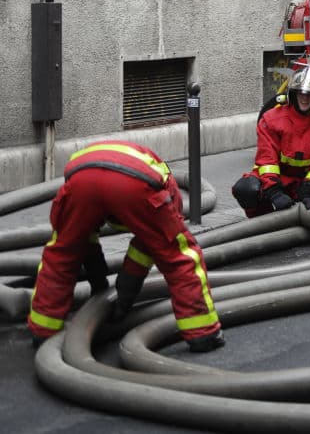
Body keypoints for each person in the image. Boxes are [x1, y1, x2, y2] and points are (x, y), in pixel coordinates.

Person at [28, 141, 224, 352]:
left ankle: (43, 330)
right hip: (135, 182)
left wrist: (102, 288)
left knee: (62, 252)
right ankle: (203, 333)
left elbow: (85, 244)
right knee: (179, 256)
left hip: (81, 178)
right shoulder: (168, 192)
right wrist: (125, 296)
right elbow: (148, 251)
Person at [233, 66, 310, 218]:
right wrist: (274, 192)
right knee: (246, 189)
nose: (304, 98)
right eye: (300, 92)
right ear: (292, 94)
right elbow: (267, 159)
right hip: (277, 179)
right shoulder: (271, 119)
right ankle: (264, 223)